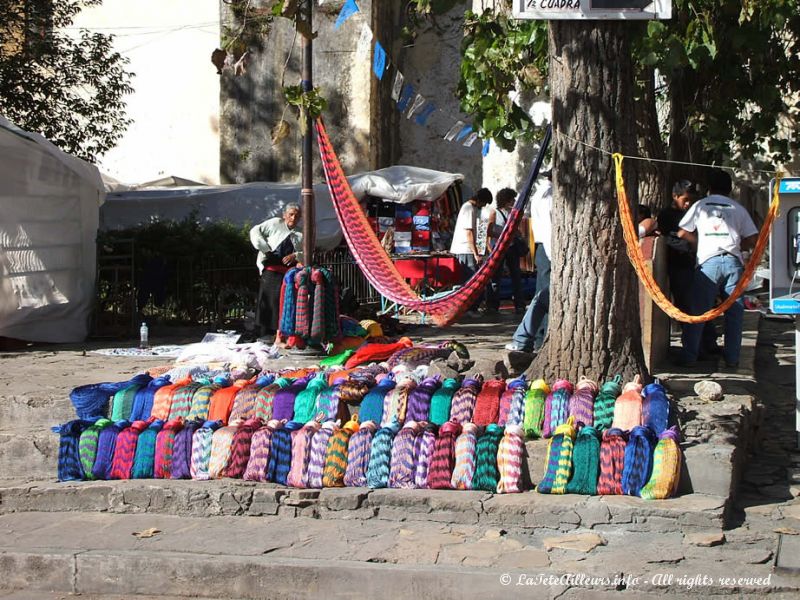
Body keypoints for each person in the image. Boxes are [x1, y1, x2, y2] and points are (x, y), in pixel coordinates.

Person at [677, 169, 758, 368]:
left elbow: (681, 233)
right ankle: (732, 359)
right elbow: (753, 238)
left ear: (709, 188)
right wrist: (741, 247)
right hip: (733, 263)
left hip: (708, 264)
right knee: (734, 314)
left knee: (698, 313)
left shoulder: (700, 205)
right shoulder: (738, 208)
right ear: (730, 189)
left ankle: (689, 358)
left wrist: (698, 244)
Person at [658, 181, 719, 355]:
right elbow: (671, 240)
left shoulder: (696, 212)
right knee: (686, 306)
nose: (688, 204)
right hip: (680, 266)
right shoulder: (667, 215)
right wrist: (691, 246)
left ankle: (709, 342)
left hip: (699, 265)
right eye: (685, 200)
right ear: (675, 196)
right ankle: (695, 348)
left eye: (691, 200)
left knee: (704, 305)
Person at [505, 174, 552, 353]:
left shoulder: (540, 194)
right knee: (545, 296)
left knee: (542, 295)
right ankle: (532, 338)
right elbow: (549, 228)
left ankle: (535, 337)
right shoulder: (549, 195)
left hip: (544, 247)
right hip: (548, 248)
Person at [250, 203, 303, 341]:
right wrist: (264, 247)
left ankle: (279, 333)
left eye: (297, 215)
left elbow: (305, 252)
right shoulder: (274, 223)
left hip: (288, 273)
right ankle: (262, 332)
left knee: (283, 301)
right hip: (271, 269)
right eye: (291, 214)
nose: (293, 217)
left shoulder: (300, 233)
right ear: (284, 215)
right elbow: (255, 231)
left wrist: (295, 256)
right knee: (268, 300)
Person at [450, 188, 493, 314]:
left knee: (472, 279)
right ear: (479, 200)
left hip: (469, 249)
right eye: (484, 203)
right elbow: (469, 232)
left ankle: (470, 307)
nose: (484, 206)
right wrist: (475, 253)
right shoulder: (468, 208)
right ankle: (468, 308)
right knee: (470, 280)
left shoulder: (473, 209)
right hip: (465, 249)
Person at [485, 187, 525, 314]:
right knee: (496, 277)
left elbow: (517, 231)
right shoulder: (494, 213)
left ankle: (519, 304)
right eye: (512, 199)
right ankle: (492, 305)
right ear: (506, 200)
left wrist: (516, 234)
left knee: (516, 276)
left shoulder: (514, 214)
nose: (514, 202)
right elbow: (489, 231)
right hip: (499, 247)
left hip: (511, 247)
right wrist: (503, 235)